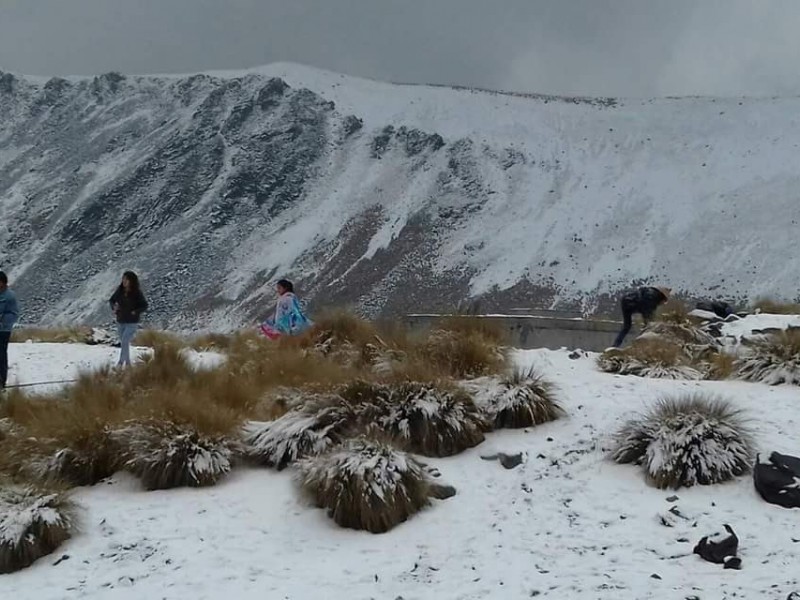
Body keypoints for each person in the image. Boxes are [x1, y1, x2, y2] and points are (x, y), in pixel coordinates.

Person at [109, 271, 148, 367]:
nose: (124, 281)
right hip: (120, 320)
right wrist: (114, 307)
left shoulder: (137, 293)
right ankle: (128, 364)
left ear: (131, 281)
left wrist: (135, 311)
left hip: (131, 322)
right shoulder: (120, 290)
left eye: (126, 279)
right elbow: (112, 300)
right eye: (123, 279)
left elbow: (144, 305)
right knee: (124, 343)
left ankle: (121, 362)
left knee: (125, 341)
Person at [0, 271, 19, 389]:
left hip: (3, 331)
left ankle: (1, 382)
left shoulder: (10, 296)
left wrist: (2, 321)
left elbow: (14, 314)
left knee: (1, 356)